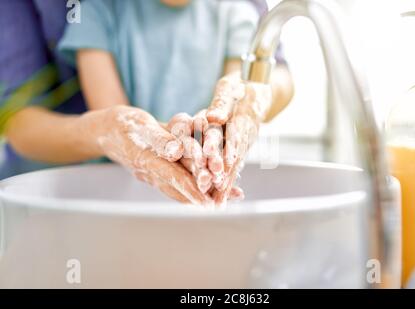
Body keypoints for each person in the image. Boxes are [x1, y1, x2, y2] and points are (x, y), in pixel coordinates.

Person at [1, 0, 294, 205]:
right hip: (109, 200)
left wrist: (212, 143)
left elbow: (230, 104)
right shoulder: (97, 14)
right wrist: (165, 143)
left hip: (200, 196)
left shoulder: (236, 14)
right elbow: (114, 120)